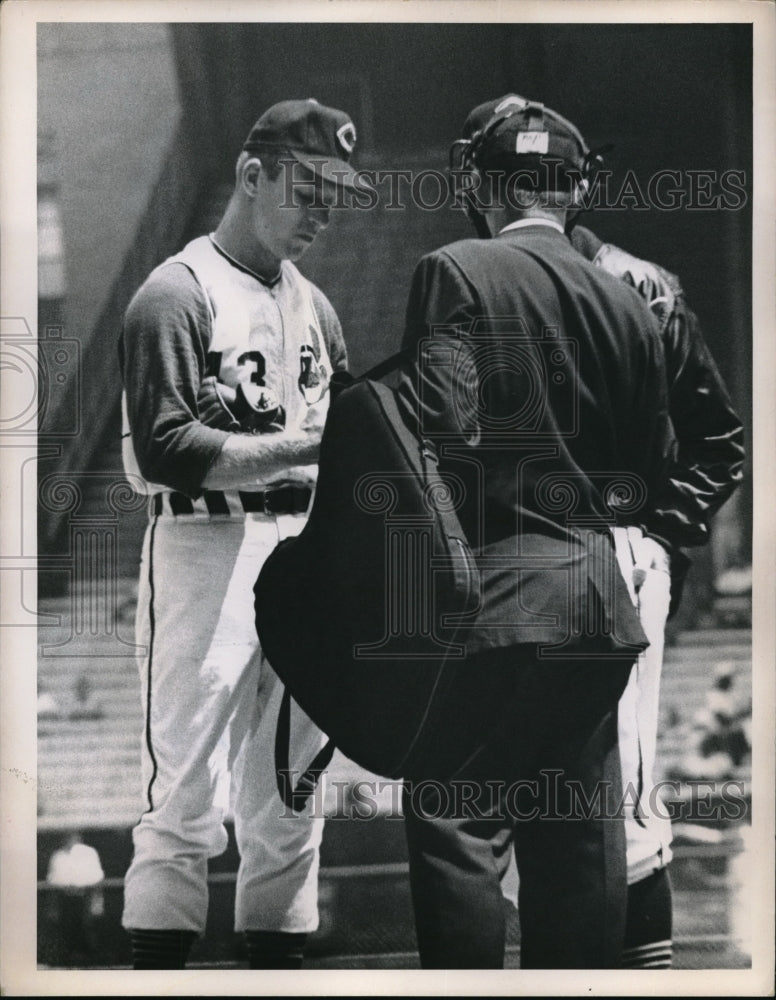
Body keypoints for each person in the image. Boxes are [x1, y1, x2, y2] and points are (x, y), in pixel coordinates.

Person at [396, 95, 678, 969]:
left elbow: (438, 436)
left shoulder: (454, 270)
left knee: (454, 811)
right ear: (574, 191)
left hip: (492, 597)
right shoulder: (631, 299)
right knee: (578, 839)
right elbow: (652, 471)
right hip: (597, 604)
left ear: (483, 184)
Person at [118, 98, 358, 970]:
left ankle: (277, 970)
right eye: (308, 188)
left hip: (302, 549)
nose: (323, 211)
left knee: (291, 791)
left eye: (337, 193)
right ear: (252, 176)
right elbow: (168, 448)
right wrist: (303, 447)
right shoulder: (176, 293)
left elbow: (353, 440)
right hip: (205, 548)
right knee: (185, 791)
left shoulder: (318, 309)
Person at [569, 220, 745, 968]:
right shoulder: (492, 275)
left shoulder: (640, 283)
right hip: (528, 560)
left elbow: (718, 440)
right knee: (546, 803)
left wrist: (657, 536)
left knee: (629, 792)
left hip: (614, 548)